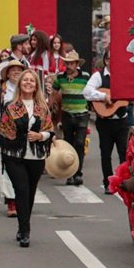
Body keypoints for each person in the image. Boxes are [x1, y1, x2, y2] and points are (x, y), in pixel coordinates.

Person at [0, 69, 54, 247]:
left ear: (36, 85)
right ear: (20, 84)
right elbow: (2, 134)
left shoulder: (43, 106)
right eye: (25, 80)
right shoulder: (10, 106)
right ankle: (25, 230)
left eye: (31, 81)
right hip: (13, 155)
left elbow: (50, 129)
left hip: (36, 156)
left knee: (30, 192)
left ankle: (22, 225)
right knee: (21, 189)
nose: (28, 83)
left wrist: (40, 136)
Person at [83, 50, 129, 194]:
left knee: (124, 152)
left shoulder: (122, 76)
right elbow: (86, 91)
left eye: (113, 59)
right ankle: (108, 183)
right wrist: (104, 96)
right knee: (106, 153)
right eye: (108, 59)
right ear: (105, 61)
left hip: (121, 121)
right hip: (105, 122)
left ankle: (123, 182)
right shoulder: (98, 76)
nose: (110, 62)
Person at [0, 59, 25, 216]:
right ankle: (12, 203)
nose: (16, 72)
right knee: (7, 170)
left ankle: (23, 199)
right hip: (6, 135)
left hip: (27, 135)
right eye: (12, 69)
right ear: (7, 73)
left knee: (25, 170)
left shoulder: (29, 88)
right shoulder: (1, 91)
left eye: (19, 69)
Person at [52, 51, 90, 186]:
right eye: (67, 63)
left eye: (71, 63)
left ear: (77, 64)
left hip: (82, 115)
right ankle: (70, 174)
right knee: (68, 144)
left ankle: (78, 173)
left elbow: (92, 91)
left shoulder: (85, 77)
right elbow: (54, 94)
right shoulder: (60, 78)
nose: (68, 66)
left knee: (79, 143)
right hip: (67, 115)